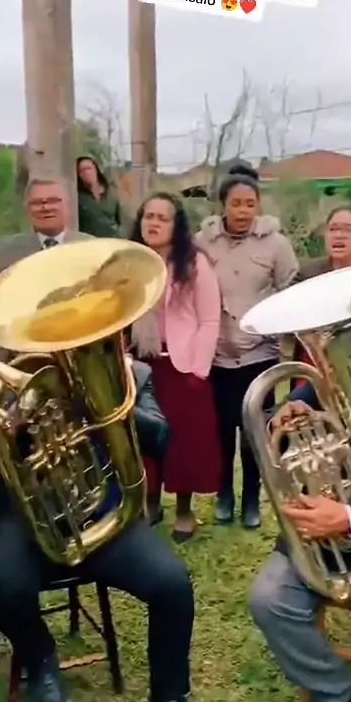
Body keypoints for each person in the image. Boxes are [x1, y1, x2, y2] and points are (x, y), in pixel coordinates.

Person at [0, 353, 205, 702]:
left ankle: (169, 698)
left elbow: (159, 438)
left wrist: (103, 404)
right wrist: (6, 419)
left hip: (106, 518)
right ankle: (39, 658)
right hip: (32, 519)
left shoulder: (133, 374)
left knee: (172, 585)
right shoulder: (16, 377)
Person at [249, 379, 351, 702]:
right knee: (269, 599)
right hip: (325, 538)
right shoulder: (350, 362)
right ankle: (333, 692)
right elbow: (309, 393)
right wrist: (286, 413)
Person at [196, 162, 298, 530]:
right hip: (218, 356)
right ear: (223, 205)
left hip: (260, 355)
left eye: (250, 204)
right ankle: (225, 494)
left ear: (258, 205)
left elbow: (290, 289)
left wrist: (279, 333)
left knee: (255, 433)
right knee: (222, 431)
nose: (243, 211)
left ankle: (252, 498)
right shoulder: (202, 242)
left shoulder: (276, 244)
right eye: (236, 203)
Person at [130, 192, 222, 541]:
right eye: (148, 216)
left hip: (182, 368)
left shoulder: (195, 264)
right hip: (141, 364)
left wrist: (199, 370)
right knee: (142, 436)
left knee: (184, 442)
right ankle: (151, 503)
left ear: (176, 225)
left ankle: (184, 511)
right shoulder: (129, 262)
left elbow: (209, 320)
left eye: (162, 218)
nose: (153, 223)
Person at [289, 205, 351, 386]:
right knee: (298, 402)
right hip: (316, 367)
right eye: (333, 229)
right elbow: (286, 312)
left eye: (348, 229)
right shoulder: (307, 274)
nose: (339, 235)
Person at [0, 177, 92, 279]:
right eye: (36, 202)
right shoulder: (6, 252)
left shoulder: (90, 247)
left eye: (53, 201)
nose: (45, 208)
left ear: (68, 205)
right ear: (27, 209)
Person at [77, 155, 123, 238]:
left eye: (89, 168)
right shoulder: (79, 198)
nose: (86, 173)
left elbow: (119, 220)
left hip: (113, 239)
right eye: (82, 171)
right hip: (91, 241)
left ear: (96, 170)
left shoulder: (111, 192)